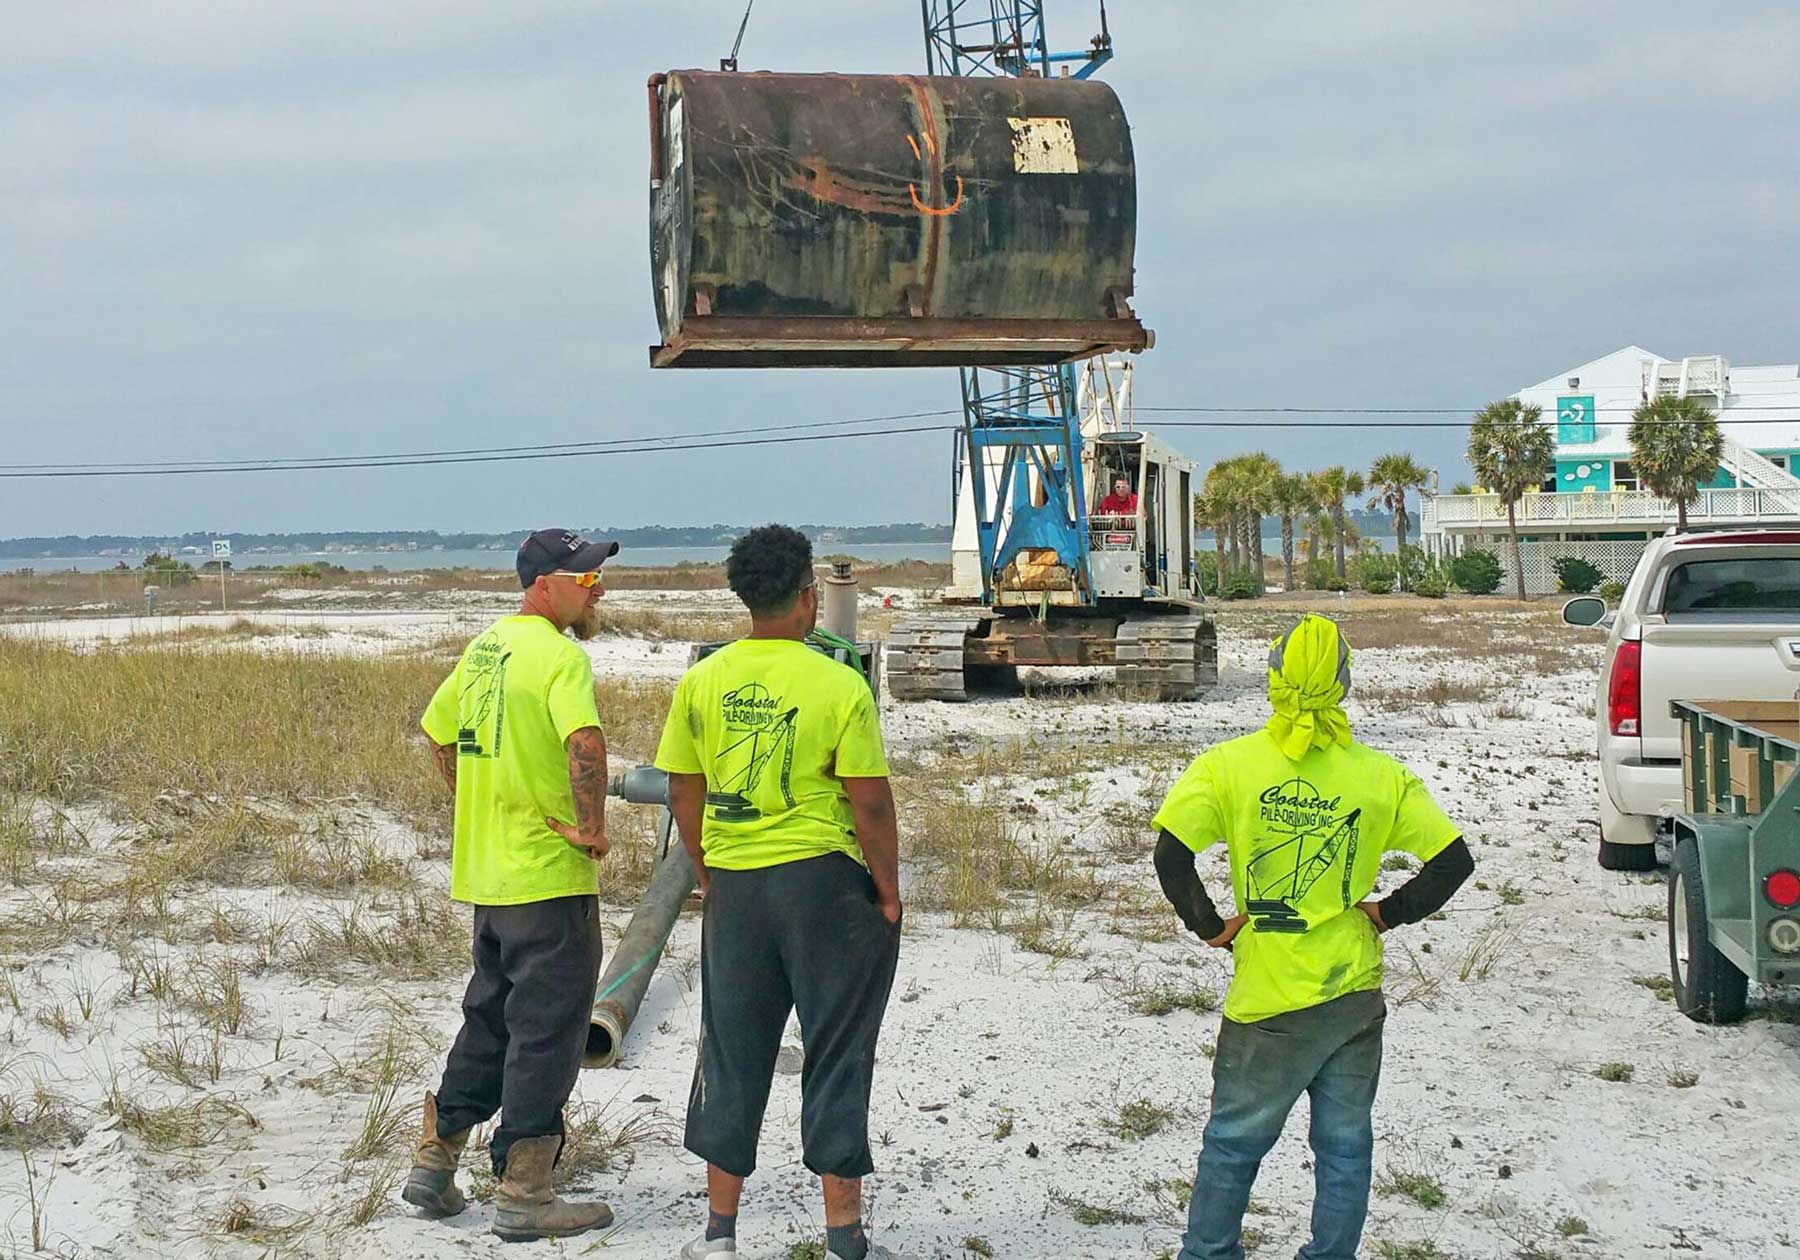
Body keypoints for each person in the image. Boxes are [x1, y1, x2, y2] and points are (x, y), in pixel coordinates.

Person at [1152, 614, 1474, 1260]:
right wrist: (1386, 913)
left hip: (1266, 998)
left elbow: (1171, 855)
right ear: (1344, 684)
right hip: (1352, 993)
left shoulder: (1228, 766)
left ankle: (1209, 1252)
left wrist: (1213, 928)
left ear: (1273, 680)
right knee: (1345, 1146)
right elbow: (1453, 862)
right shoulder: (1382, 776)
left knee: (1234, 1143)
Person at [654, 524, 907, 1260]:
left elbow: (683, 785)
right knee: (837, 1049)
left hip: (736, 889)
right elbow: (871, 802)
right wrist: (887, 892)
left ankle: (719, 1235)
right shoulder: (838, 680)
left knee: (731, 1048)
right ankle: (843, 1237)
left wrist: (705, 868)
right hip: (823, 888)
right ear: (806, 598)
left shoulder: (704, 678)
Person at [405, 528, 621, 1242]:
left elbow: (439, 732)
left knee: (489, 1017)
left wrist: (478, 801)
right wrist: (591, 827)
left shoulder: (485, 648)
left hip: (490, 878)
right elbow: (584, 744)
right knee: (547, 1031)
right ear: (543, 584)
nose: (595, 588)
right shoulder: (560, 657)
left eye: (596, 577)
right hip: (548, 881)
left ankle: (435, 1164)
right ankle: (525, 1190)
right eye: (583, 578)